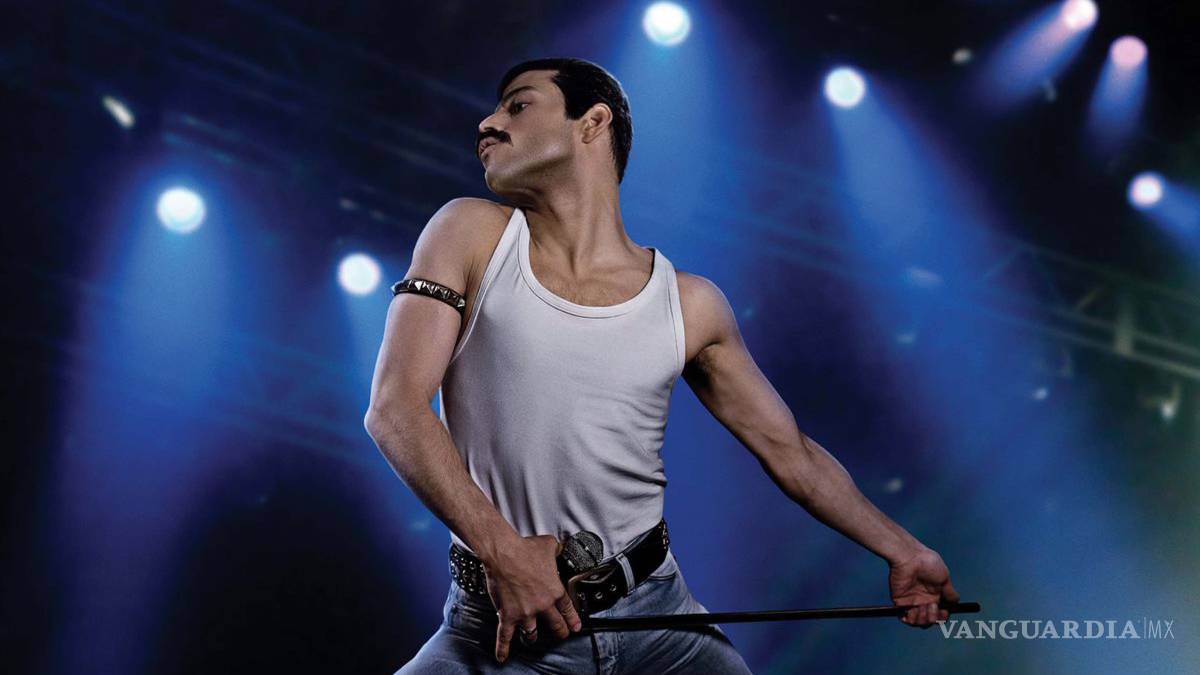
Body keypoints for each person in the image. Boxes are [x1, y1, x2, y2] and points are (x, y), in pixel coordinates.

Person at [364, 57, 960, 674]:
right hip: (502, 630)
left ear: (592, 123)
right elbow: (394, 410)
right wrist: (503, 552)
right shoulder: (469, 232)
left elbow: (793, 454)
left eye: (518, 105)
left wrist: (904, 551)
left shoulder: (690, 304)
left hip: (662, 626)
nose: (487, 124)